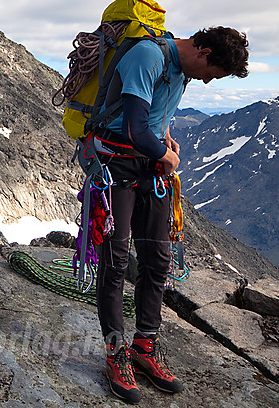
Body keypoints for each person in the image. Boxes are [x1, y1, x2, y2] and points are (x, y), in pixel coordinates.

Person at [92, 26, 249, 403]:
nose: (210, 82)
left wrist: (165, 139)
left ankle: (144, 348)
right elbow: (131, 127)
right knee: (115, 263)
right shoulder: (149, 56)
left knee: (157, 260)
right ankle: (116, 354)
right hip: (117, 168)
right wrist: (166, 155)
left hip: (150, 170)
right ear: (203, 51)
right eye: (213, 73)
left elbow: (149, 119)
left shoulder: (180, 69)